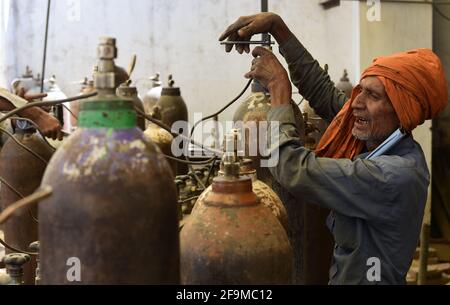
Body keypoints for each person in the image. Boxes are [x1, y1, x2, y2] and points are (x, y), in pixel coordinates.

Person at [219, 13, 448, 284]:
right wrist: (279, 28)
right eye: (360, 90)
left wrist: (280, 91)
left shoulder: (394, 175)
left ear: (402, 111)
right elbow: (322, 91)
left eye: (373, 95)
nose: (355, 103)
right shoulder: (378, 139)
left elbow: (292, 168)